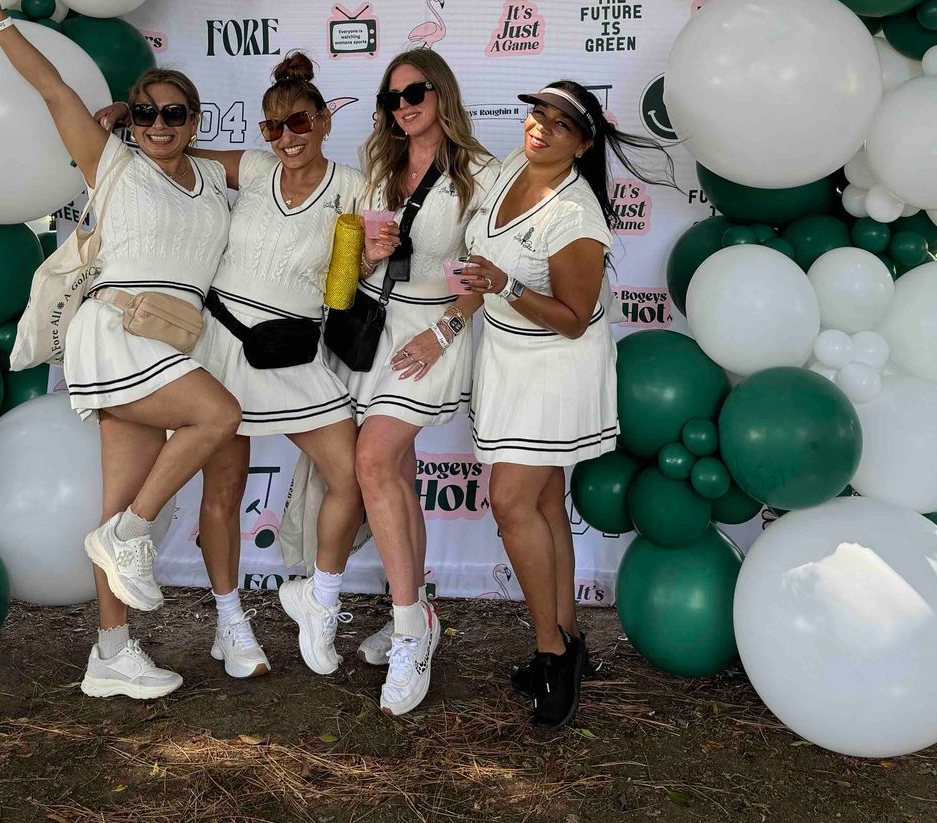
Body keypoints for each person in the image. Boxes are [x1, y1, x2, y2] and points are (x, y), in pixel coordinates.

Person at [0, 0, 242, 704]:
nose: (159, 125)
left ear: (194, 120)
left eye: (174, 114)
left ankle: (111, 654)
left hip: (175, 335)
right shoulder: (111, 164)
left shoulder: (214, 178)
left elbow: (293, 169)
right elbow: (53, 88)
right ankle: (129, 539)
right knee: (217, 416)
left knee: (117, 506)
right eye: (146, 112)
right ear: (129, 117)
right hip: (118, 326)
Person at [457, 80, 672, 728]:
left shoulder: (576, 214)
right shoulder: (507, 168)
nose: (540, 128)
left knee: (511, 501)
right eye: (536, 113)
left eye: (559, 124)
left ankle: (551, 654)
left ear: (582, 144)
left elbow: (575, 318)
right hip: (506, 355)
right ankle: (570, 638)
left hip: (555, 365)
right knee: (545, 501)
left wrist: (504, 282)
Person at [180, 53, 369, 680]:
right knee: (224, 491)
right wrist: (127, 117)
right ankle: (230, 621)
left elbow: (346, 285)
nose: (286, 137)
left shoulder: (352, 187)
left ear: (323, 121)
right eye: (271, 126)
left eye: (298, 123)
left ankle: (319, 594)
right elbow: (176, 151)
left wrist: (371, 257)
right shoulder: (255, 168)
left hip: (291, 350)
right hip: (225, 342)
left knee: (354, 475)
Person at [345, 50, 498, 717]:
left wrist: (444, 333)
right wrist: (362, 254)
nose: (402, 106)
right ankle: (415, 613)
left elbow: (487, 274)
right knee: (396, 476)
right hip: (376, 328)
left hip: (433, 335)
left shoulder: (481, 173)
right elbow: (345, 262)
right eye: (391, 99)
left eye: (414, 92)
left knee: (373, 461)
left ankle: (410, 633)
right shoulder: (378, 168)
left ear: (442, 92)